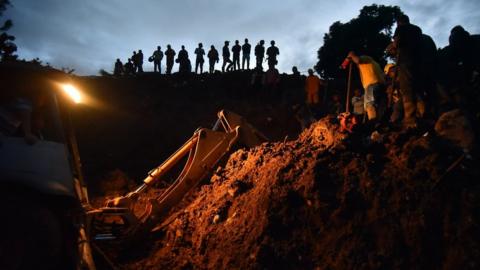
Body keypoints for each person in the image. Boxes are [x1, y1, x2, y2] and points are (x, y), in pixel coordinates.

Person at [392, 14, 423, 128]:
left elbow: (396, 43)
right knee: (418, 87)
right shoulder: (417, 29)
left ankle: (410, 119)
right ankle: (422, 114)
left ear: (399, 22)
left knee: (407, 89)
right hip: (419, 61)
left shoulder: (401, 28)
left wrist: (394, 45)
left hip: (405, 61)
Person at [346, 51, 386, 121]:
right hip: (380, 86)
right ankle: (380, 123)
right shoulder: (375, 64)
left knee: (369, 104)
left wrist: (352, 55)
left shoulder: (366, 59)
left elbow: (358, 60)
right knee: (378, 105)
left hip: (371, 85)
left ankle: (372, 122)